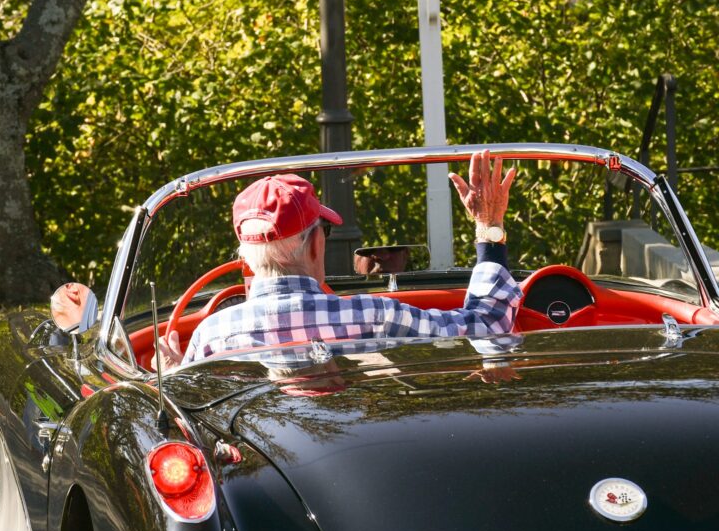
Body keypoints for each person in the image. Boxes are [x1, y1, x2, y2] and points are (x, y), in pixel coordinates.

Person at [156, 150, 522, 369]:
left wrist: (173, 376)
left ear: (247, 258)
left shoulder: (210, 338)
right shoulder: (376, 316)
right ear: (317, 243)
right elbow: (489, 328)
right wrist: (488, 227)